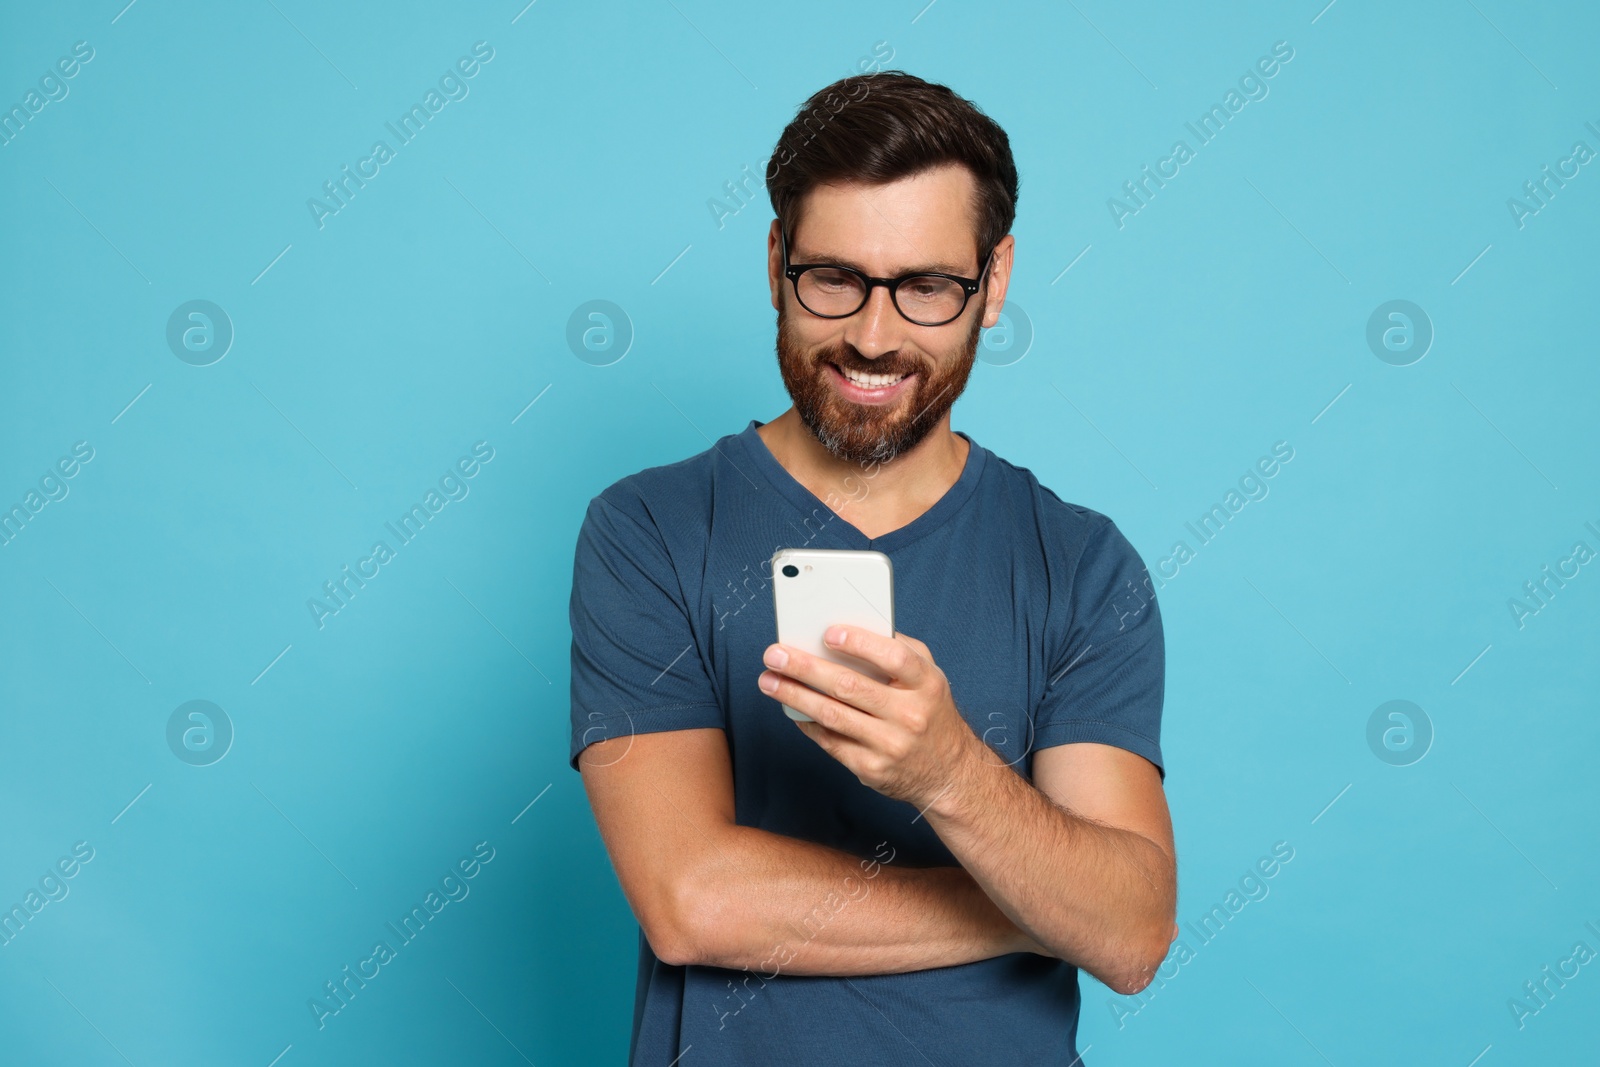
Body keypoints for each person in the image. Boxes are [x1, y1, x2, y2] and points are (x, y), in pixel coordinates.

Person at [568, 69, 1176, 1065]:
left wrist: (949, 773)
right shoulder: (651, 530)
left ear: (995, 282)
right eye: (834, 277)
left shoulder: (1082, 566)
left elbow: (1133, 931)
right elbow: (691, 901)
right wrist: (1036, 907)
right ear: (776, 263)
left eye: (927, 286)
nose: (874, 334)